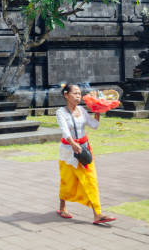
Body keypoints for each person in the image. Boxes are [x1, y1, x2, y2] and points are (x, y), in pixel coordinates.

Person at [56, 84, 116, 225]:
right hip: (68, 151)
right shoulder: (60, 112)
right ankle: (62, 207)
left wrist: (98, 109)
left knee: (91, 180)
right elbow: (65, 130)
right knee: (67, 181)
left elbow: (94, 125)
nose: (78, 96)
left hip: (84, 149)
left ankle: (98, 214)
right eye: (75, 93)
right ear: (66, 95)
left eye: (79, 93)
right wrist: (72, 143)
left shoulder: (82, 110)